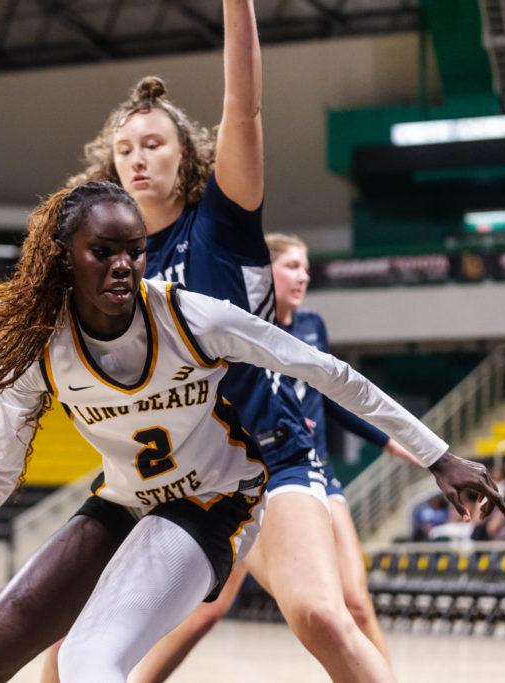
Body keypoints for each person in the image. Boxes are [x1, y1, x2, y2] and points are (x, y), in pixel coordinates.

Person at [0, 5, 505, 679]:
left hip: (264, 460)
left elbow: (244, 107)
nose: (138, 157)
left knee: (321, 614)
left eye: (153, 143)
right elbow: (23, 334)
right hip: (161, 474)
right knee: (67, 656)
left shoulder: (221, 224)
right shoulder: (103, 262)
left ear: (188, 154)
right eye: (125, 149)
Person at [0, 183, 505, 682]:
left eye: (133, 249)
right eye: (102, 250)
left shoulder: (192, 316)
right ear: (64, 259)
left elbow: (327, 372)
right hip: (126, 500)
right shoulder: (40, 351)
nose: (123, 264)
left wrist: (438, 455)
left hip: (215, 502)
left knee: (89, 660)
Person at [129, 233, 423, 678]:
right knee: (208, 611)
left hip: (308, 472)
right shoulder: (235, 324)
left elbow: (329, 393)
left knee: (356, 602)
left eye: (306, 268)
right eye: (292, 266)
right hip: (245, 478)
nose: (303, 276)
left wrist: (385, 439)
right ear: (264, 272)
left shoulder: (312, 325)